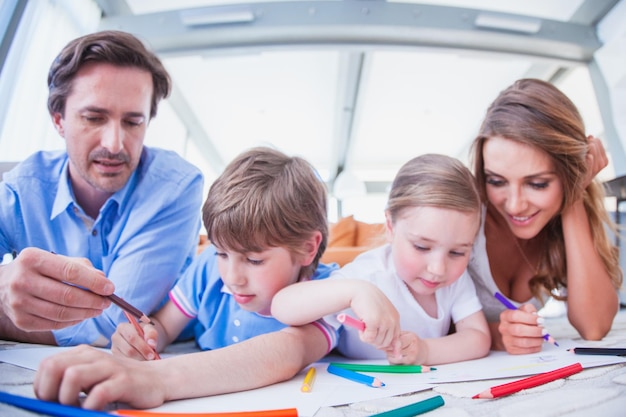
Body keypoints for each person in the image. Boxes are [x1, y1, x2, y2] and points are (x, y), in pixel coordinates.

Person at [33, 146, 373, 410]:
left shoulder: (324, 291)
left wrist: (156, 379)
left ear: (308, 249)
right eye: (222, 252)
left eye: (254, 259)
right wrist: (143, 339)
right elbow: (165, 327)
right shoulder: (209, 268)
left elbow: (288, 351)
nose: (232, 276)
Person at [0, 30, 203, 346]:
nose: (115, 144)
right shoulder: (20, 190)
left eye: (133, 122)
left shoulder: (176, 187)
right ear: (59, 121)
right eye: (94, 118)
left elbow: (112, 324)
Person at [272, 153, 491, 365]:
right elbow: (282, 306)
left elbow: (478, 337)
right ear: (390, 226)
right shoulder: (367, 275)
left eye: (457, 252)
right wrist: (355, 292)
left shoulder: (456, 280)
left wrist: (424, 350)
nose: (438, 268)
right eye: (422, 246)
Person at [468, 78, 623, 354]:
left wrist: (573, 197)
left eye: (538, 184)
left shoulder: (561, 220)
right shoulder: (463, 218)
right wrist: (495, 335)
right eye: (496, 181)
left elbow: (594, 326)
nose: (514, 206)